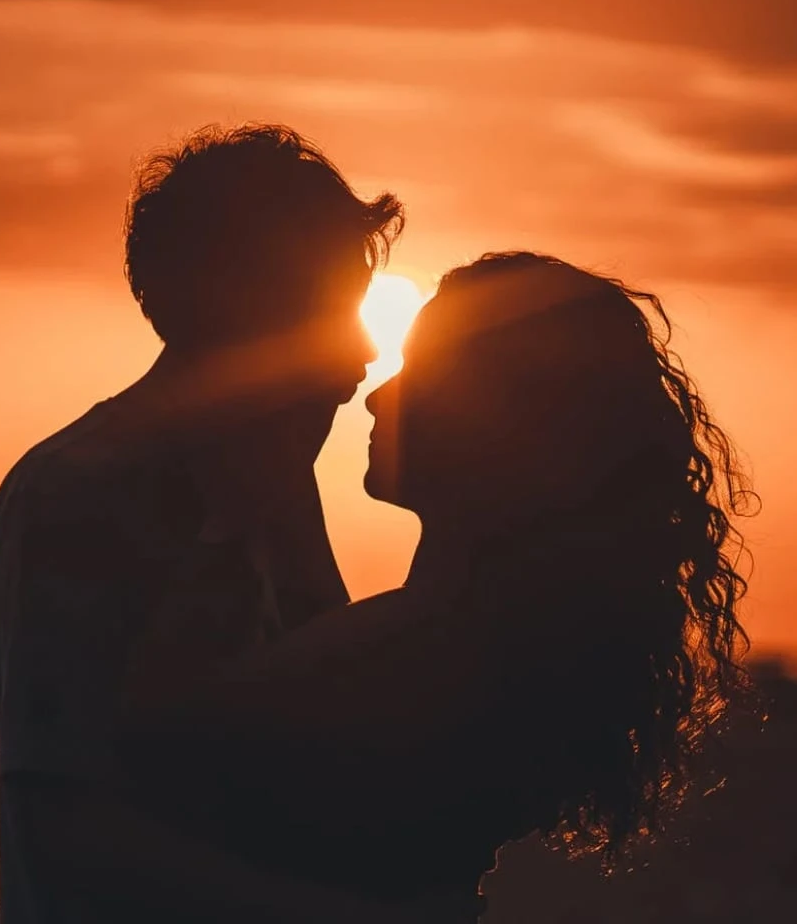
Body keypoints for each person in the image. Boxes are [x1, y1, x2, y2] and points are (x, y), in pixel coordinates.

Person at [115, 251, 755, 920]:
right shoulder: (490, 642)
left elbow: (145, 748)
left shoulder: (417, 657)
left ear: (487, 422)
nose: (375, 395)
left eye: (415, 373)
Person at [0, 123, 433, 924]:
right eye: (332, 310)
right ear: (246, 310)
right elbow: (65, 828)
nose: (364, 355)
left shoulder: (269, 496)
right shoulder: (82, 494)